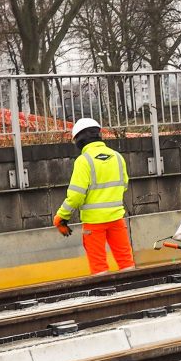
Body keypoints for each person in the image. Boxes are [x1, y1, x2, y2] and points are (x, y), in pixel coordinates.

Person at [53, 117, 135, 274]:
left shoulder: (84, 161)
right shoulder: (117, 157)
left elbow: (76, 195)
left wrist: (61, 216)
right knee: (126, 262)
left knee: (99, 268)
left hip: (93, 223)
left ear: (79, 139)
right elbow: (124, 185)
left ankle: (105, 295)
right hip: (117, 219)